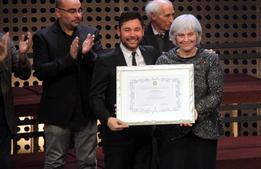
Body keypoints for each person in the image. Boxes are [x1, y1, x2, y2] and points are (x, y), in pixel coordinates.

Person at [32, 0, 102, 168]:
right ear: (58, 12)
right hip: (57, 111)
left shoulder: (91, 33)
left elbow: (101, 67)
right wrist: (69, 59)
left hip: (86, 111)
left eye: (79, 10)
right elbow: (41, 71)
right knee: (55, 162)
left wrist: (88, 54)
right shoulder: (43, 36)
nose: (78, 15)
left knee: (88, 162)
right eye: (72, 11)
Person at [90, 11, 159, 169]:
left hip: (147, 136)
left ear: (142, 30)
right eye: (127, 30)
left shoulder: (152, 54)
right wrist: (108, 119)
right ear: (118, 31)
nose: (132, 35)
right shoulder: (105, 60)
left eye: (136, 29)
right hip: (117, 137)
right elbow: (95, 98)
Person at [155, 14, 224, 169]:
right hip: (172, 132)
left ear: (197, 35)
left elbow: (216, 94)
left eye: (190, 34)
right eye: (180, 35)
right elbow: (158, 95)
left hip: (204, 130)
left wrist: (195, 112)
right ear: (173, 37)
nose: (186, 39)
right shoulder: (164, 61)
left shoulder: (210, 59)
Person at [0, 31, 32, 169]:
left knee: (3, 162)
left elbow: (23, 74)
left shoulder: (3, 39)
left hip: (2, 116)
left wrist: (22, 55)